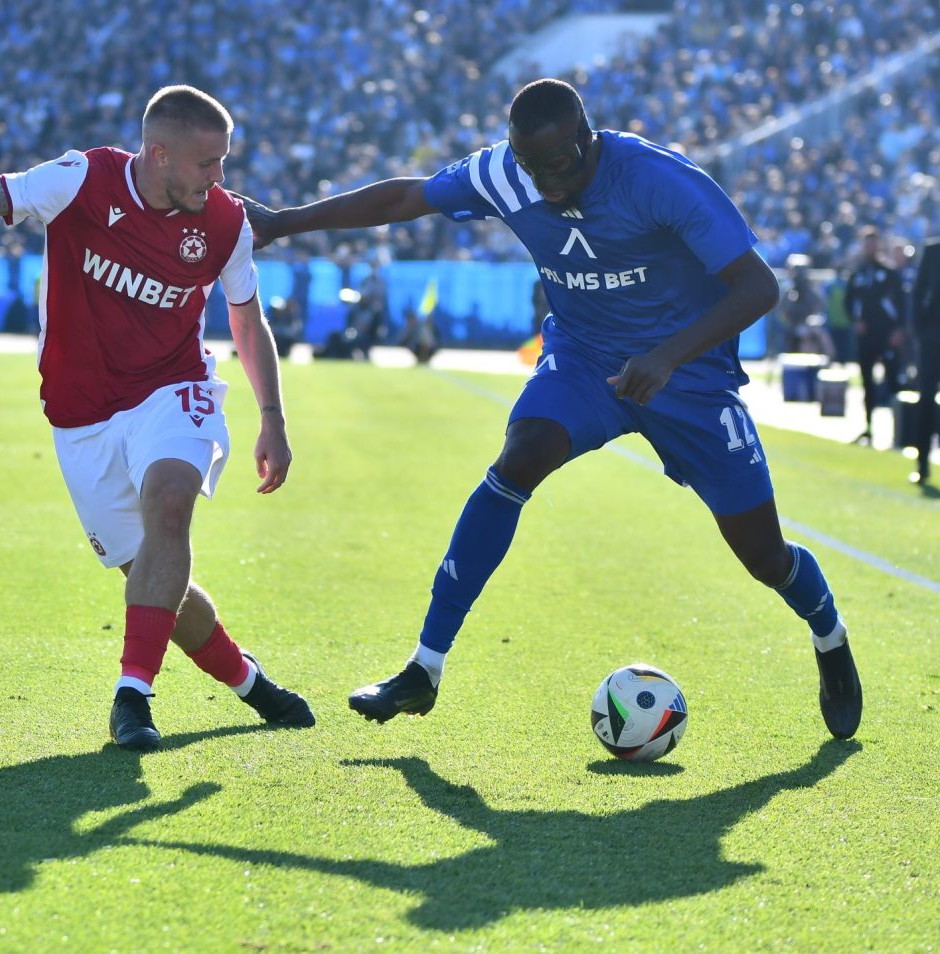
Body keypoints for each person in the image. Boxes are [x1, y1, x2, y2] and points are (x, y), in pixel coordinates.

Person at [239, 78, 861, 740]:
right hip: (586, 358)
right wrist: (284, 221)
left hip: (689, 374)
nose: (545, 182)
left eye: (558, 164)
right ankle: (424, 667)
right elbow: (405, 197)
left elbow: (759, 286)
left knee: (764, 556)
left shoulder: (657, 179)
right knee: (521, 455)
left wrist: (667, 357)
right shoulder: (506, 174)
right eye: (531, 167)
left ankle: (829, 634)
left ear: (586, 141)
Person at [0, 85, 314, 750]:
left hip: (173, 387)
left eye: (223, 162)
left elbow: (246, 317)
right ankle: (248, 681)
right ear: (159, 154)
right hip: (81, 415)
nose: (219, 178)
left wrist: (274, 417)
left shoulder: (225, 223)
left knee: (171, 500)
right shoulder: (81, 179)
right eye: (207, 163)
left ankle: (132, 696)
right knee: (153, 576)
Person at [845, 226, 906, 444]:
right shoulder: (857, 274)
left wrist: (898, 329)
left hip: (886, 335)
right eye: (866, 243)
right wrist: (855, 321)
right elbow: (849, 301)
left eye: (873, 243)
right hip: (866, 337)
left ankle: (898, 431)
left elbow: (901, 303)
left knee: (892, 382)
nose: (869, 247)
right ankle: (869, 427)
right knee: (867, 382)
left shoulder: (889, 273)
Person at [909, 235, 940, 484]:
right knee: (926, 399)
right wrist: (921, 333)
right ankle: (922, 464)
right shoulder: (932, 251)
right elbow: (918, 293)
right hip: (933, 339)